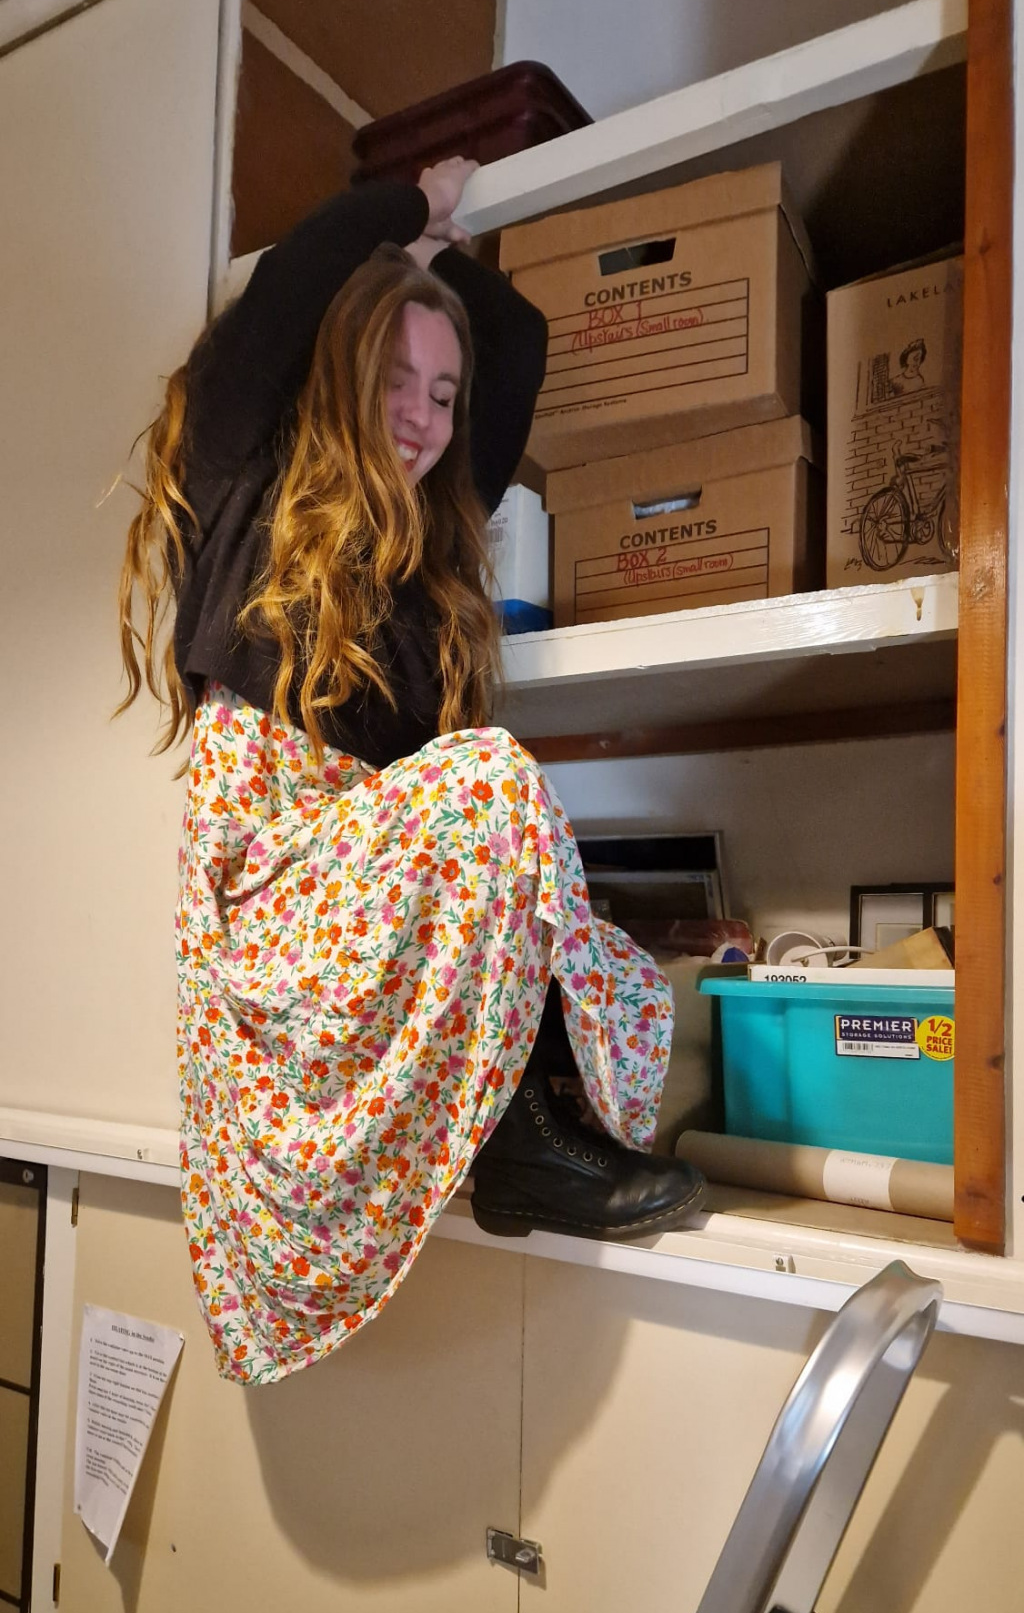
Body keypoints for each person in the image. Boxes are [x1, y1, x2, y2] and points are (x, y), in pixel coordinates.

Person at [117, 159, 705, 1386]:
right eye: (393, 378)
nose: (423, 416)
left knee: (594, 943)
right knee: (491, 781)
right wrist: (413, 216)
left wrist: (444, 273)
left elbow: (517, 347)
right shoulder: (244, 482)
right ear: (335, 373)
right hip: (275, 913)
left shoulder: (427, 561)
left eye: (440, 391)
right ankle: (520, 1147)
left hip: (367, 909)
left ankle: (525, 1132)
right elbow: (288, 289)